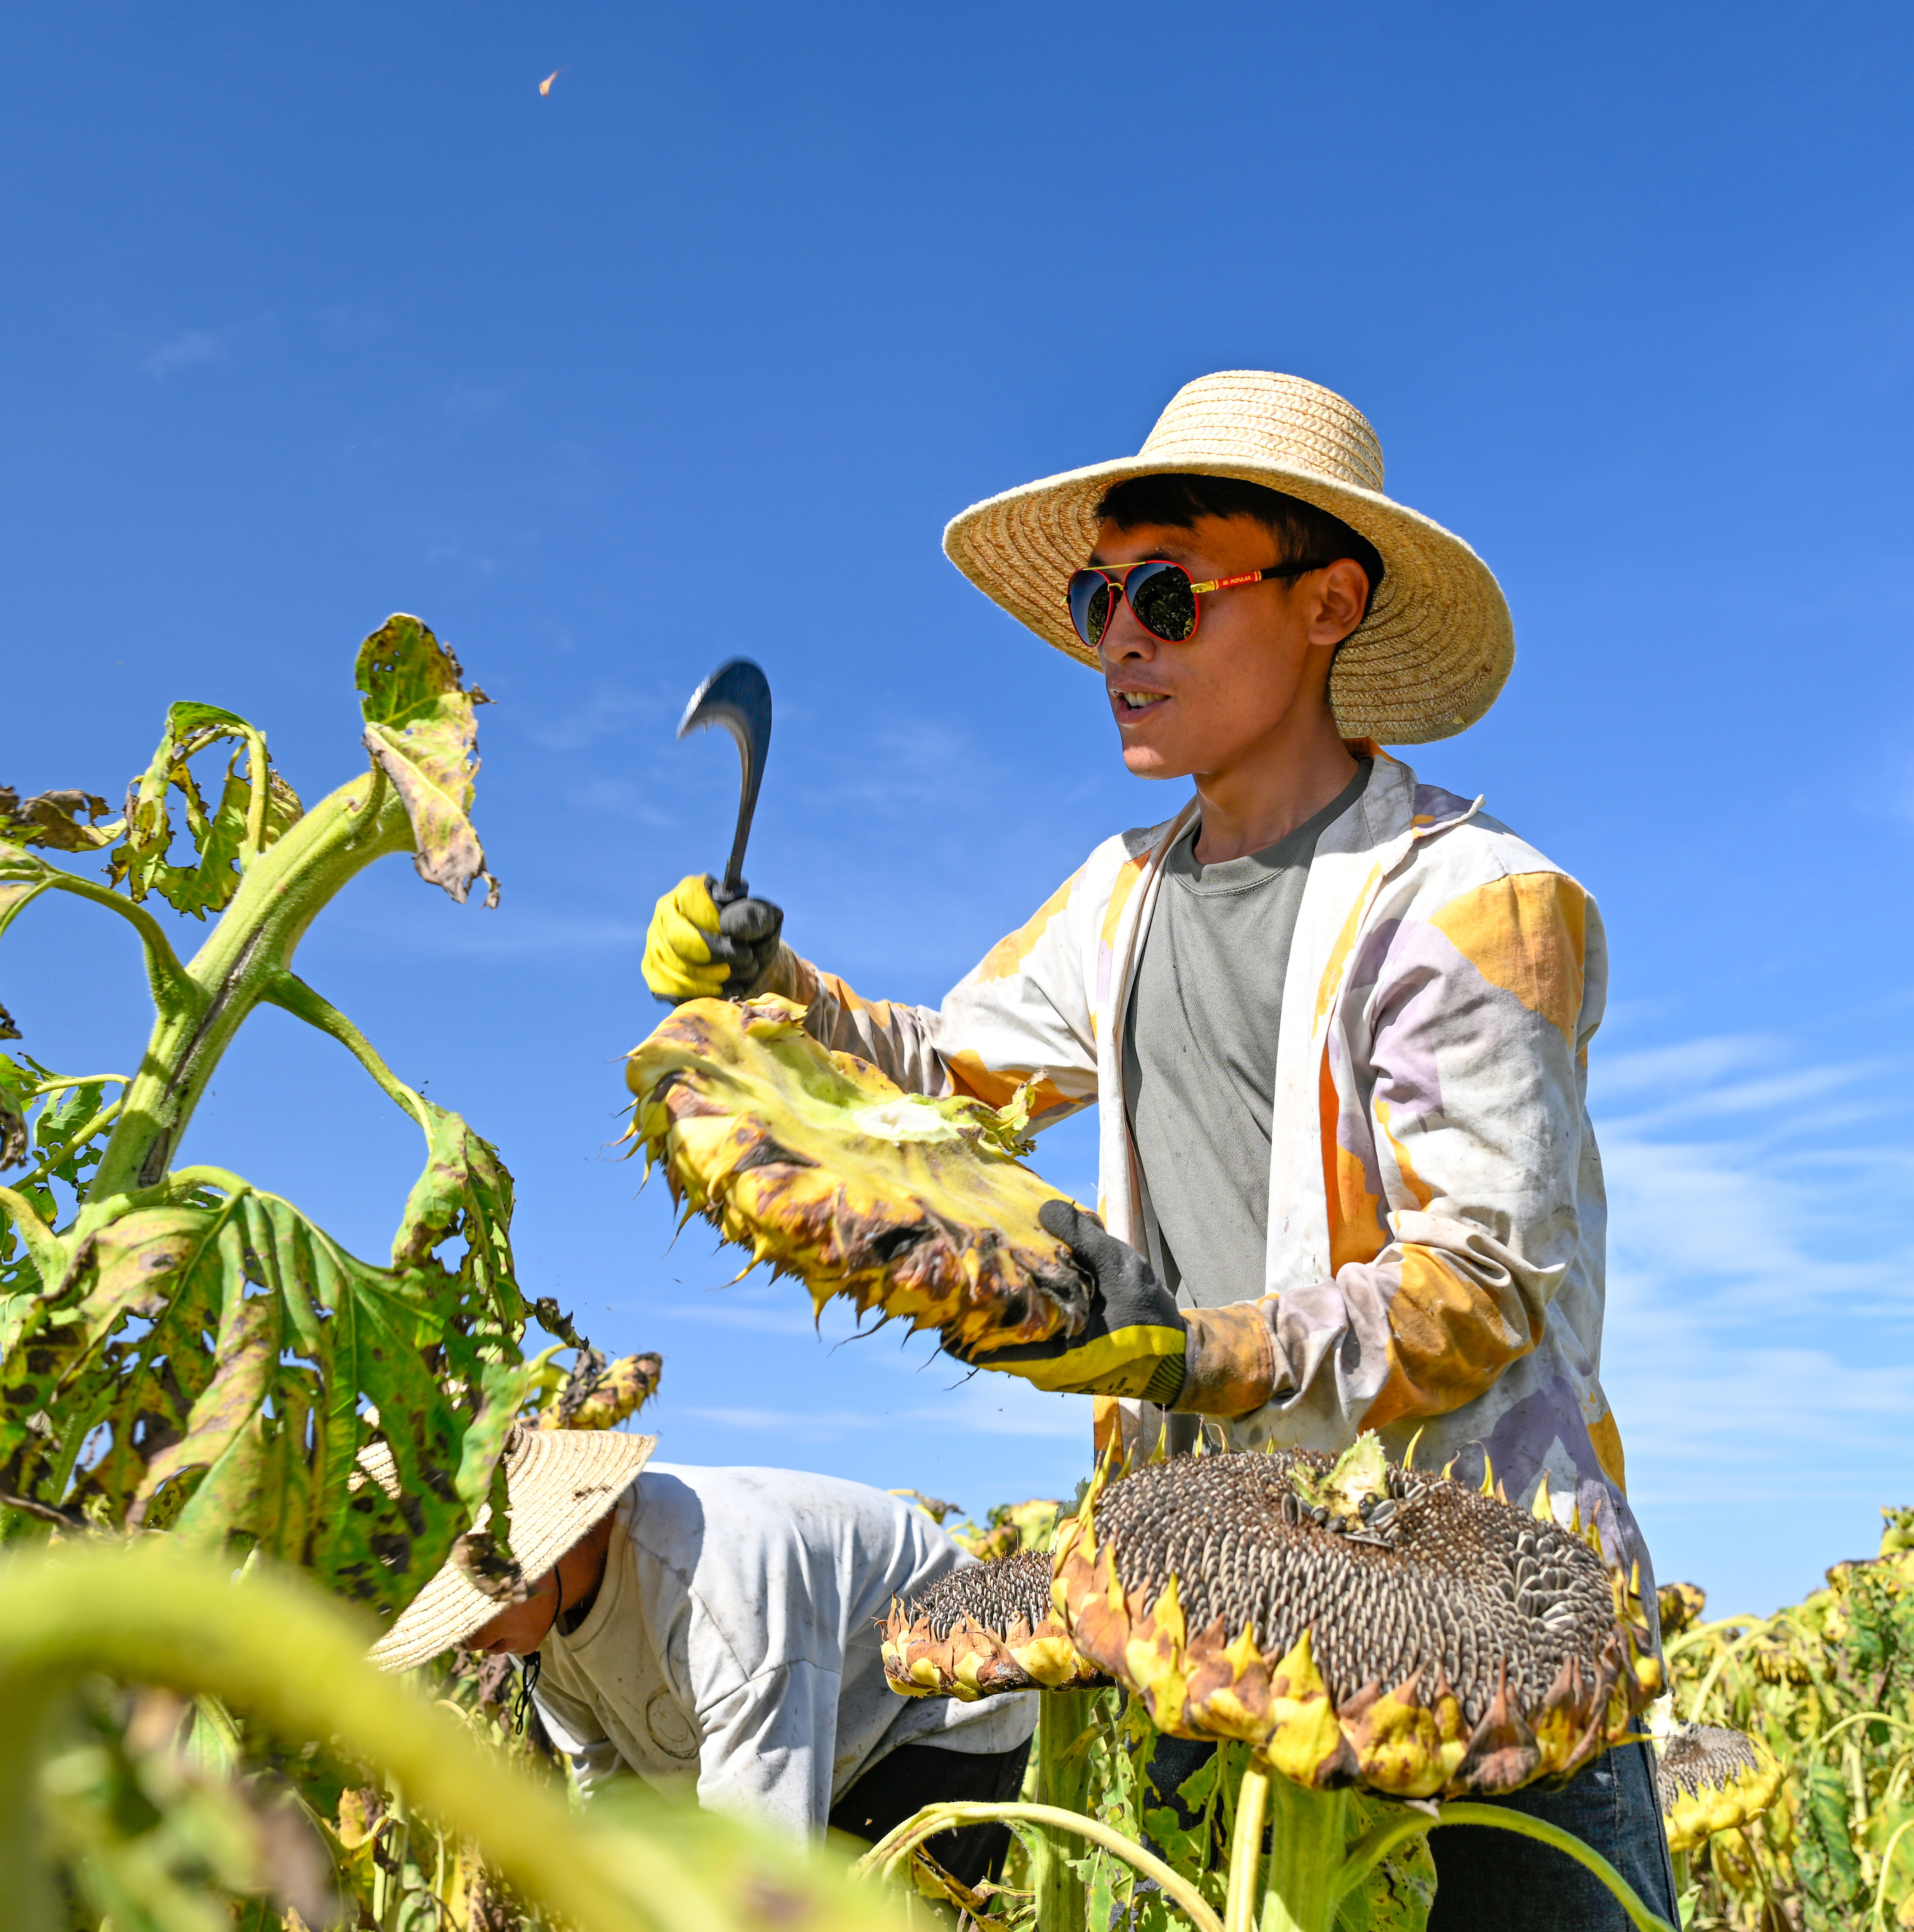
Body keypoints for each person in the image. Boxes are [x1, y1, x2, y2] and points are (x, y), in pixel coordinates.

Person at [638, 370, 1672, 1928]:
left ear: (1328, 603)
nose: (1115, 638)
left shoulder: (1471, 904)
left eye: (1168, 593)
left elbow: (1478, 1284)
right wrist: (769, 985)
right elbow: (951, 1069)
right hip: (1196, 1611)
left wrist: (1194, 1348)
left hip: (1468, 1624)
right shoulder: (1120, 895)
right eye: (1094, 595)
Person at [369, 1429, 1035, 1888]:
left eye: (465, 1610)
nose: (463, 1640)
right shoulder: (532, 1626)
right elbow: (614, 1798)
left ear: (539, 1552)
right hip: (812, 1745)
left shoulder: (715, 1587)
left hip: (934, 1712)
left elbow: (766, 1861)